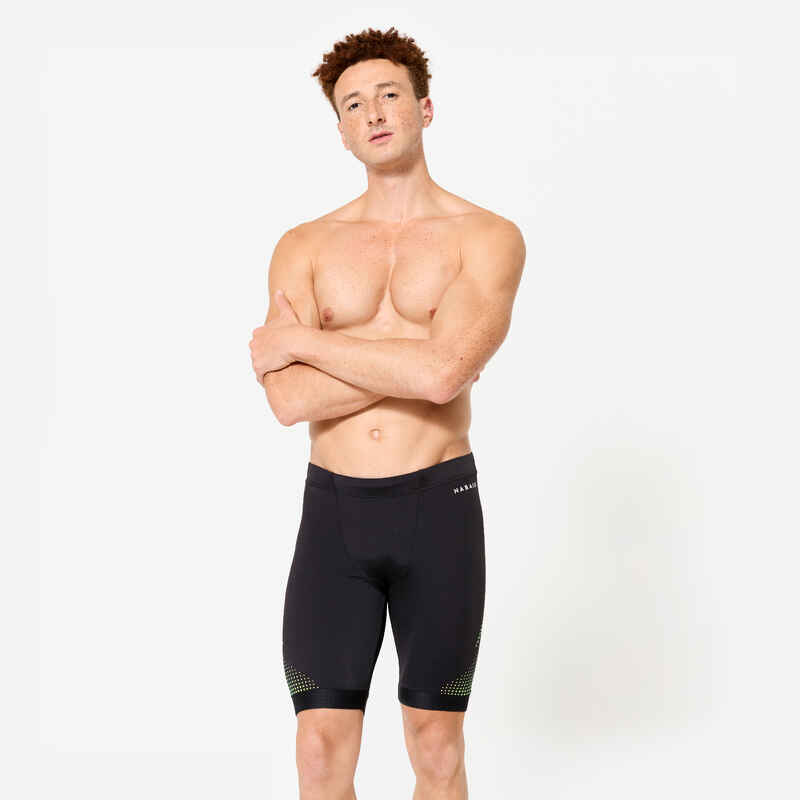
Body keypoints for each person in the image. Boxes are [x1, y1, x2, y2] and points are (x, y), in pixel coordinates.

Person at [249, 26, 525, 800]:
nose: (372, 112)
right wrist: (419, 361)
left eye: (389, 94)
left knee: (435, 744)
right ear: (340, 130)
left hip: (439, 509)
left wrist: (305, 343)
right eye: (352, 104)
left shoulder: (487, 237)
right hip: (334, 515)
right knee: (318, 749)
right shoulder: (303, 246)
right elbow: (288, 399)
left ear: (424, 108)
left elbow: (444, 376)